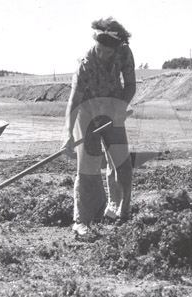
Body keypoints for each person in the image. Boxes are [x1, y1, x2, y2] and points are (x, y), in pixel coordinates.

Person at [61, 17, 136, 237]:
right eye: (100, 50)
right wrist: (67, 134)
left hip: (113, 109)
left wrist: (120, 107)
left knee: (122, 163)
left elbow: (130, 85)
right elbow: (73, 102)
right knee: (87, 167)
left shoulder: (123, 52)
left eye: (107, 52)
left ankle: (121, 211)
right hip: (87, 113)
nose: (103, 55)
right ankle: (81, 221)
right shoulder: (85, 63)